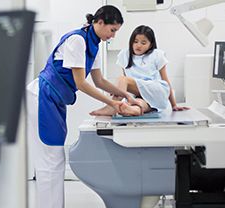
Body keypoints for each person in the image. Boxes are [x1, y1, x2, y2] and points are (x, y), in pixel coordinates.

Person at [26, 5, 133, 208]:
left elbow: (99, 81)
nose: (113, 35)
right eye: (112, 30)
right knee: (50, 159)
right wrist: (112, 103)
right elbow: (80, 83)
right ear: (99, 22)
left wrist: (126, 94)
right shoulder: (77, 40)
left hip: (55, 99)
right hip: (42, 96)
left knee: (55, 158)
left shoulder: (93, 43)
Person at [90, 25, 189, 117]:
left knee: (122, 79)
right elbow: (126, 85)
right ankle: (132, 109)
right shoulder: (125, 55)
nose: (138, 45)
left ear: (150, 45)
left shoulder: (157, 55)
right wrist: (120, 92)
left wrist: (174, 105)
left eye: (143, 43)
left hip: (156, 91)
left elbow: (166, 81)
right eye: (135, 41)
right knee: (136, 105)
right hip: (139, 94)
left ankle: (112, 107)